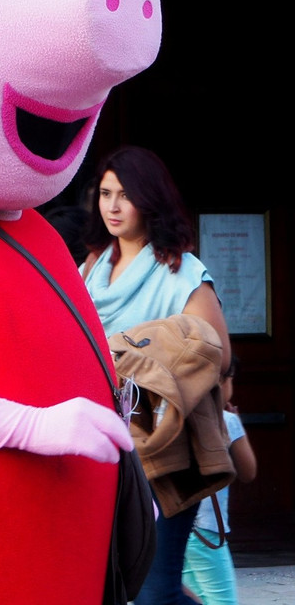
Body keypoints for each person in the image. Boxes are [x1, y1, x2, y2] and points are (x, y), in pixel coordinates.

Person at [81, 144, 231, 605]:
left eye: (125, 194)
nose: (113, 206)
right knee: (126, 590)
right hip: (105, 446)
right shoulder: (89, 269)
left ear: (150, 198)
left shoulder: (181, 270)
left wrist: (143, 355)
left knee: (154, 593)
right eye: (106, 193)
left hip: (164, 443)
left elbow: (217, 354)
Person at [181, 356, 258, 605]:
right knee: (222, 600)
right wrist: (237, 425)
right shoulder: (227, 421)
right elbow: (248, 472)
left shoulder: (174, 418)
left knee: (189, 593)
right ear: (220, 381)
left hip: (176, 526)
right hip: (207, 529)